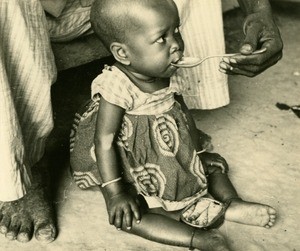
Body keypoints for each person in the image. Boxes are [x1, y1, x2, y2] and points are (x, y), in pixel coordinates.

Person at [0, 0, 282, 244]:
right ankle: (196, 238)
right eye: (163, 38)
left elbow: (178, 113)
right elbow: (104, 141)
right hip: (133, 162)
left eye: (177, 32)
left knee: (214, 166)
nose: (176, 46)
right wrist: (114, 192)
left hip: (165, 146)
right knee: (133, 214)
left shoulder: (159, 65)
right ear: (123, 54)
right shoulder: (115, 87)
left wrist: (192, 151)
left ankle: (231, 204)